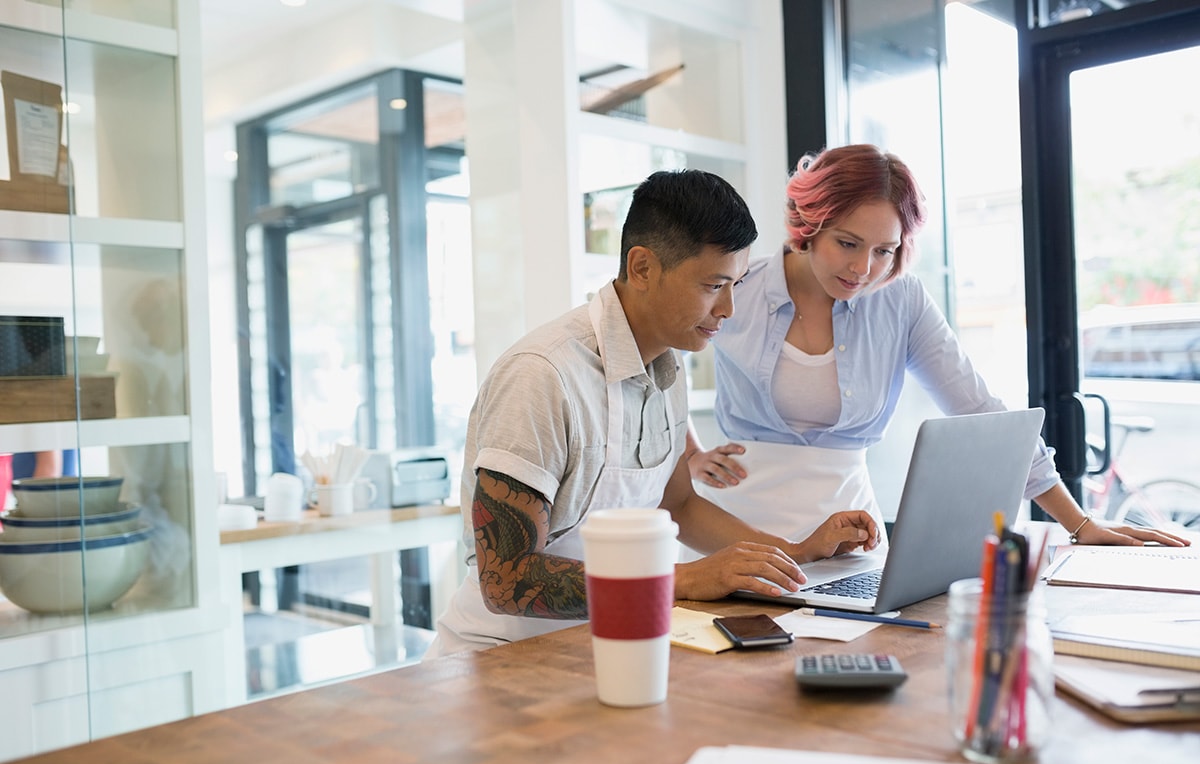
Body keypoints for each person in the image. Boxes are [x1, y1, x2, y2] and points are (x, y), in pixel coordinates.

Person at [426, 169, 881, 657]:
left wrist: (790, 554)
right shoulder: (541, 376)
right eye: (714, 285)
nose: (729, 309)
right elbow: (507, 580)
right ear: (642, 268)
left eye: (736, 284)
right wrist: (683, 579)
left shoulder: (668, 365)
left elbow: (679, 506)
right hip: (498, 655)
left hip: (604, 643)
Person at [686, 143, 1190, 549]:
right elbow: (658, 359)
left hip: (847, 538)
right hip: (735, 530)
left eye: (884, 250)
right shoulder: (741, 286)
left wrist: (1078, 523)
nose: (863, 269)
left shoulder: (900, 301)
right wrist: (688, 452)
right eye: (847, 242)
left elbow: (982, 412)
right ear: (810, 223)